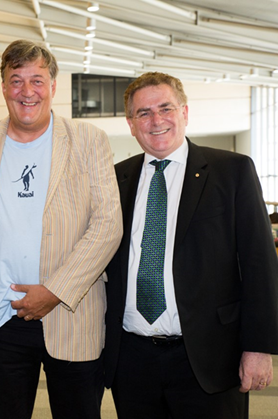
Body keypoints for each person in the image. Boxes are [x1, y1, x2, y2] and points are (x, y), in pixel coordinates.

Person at [0, 39, 122, 418]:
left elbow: (108, 224)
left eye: (37, 80)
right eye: (16, 80)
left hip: (71, 315)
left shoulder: (88, 140)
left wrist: (55, 291)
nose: (27, 92)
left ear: (53, 86)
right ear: (2, 87)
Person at [104, 71, 278, 419]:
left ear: (184, 112)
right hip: (133, 361)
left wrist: (258, 348)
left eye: (165, 108)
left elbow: (259, 263)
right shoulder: (115, 179)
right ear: (131, 124)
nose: (156, 121)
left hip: (209, 358)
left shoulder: (231, 171)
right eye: (144, 113)